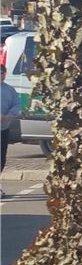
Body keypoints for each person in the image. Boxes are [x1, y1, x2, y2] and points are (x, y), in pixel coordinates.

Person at [1, 64, 22, 197]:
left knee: (1, 158)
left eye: (3, 73)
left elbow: (17, 104)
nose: (2, 75)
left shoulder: (9, 90)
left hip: (4, 127)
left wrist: (9, 115)